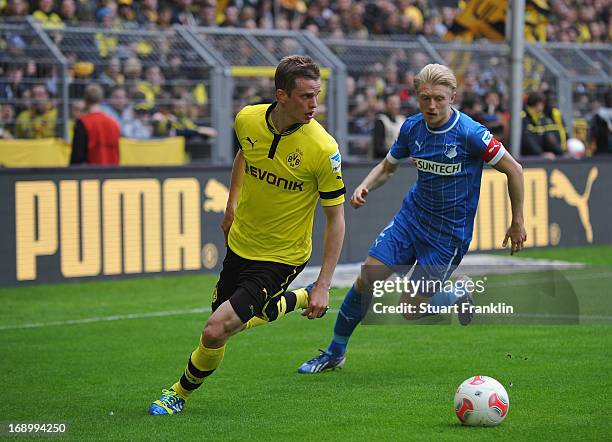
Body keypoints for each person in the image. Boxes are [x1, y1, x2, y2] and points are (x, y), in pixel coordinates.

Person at [297, 63, 526, 374]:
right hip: (411, 220)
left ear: (453, 97)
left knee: (409, 309)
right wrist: (365, 184)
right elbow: (388, 166)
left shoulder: (470, 133)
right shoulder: (412, 128)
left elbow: (514, 169)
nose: (431, 105)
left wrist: (517, 222)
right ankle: (335, 352)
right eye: (424, 98)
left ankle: (458, 292)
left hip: (447, 236)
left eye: (439, 99)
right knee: (367, 279)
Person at [149, 55, 346, 415]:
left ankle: (178, 392)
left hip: (282, 256)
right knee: (226, 328)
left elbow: (336, 219)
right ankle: (293, 301)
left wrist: (323, 283)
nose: (314, 105)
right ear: (281, 95)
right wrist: (231, 206)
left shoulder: (323, 148)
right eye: (305, 96)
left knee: (213, 330)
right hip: (240, 244)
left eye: (317, 95)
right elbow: (246, 155)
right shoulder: (248, 119)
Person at [70, 83, 120, 165]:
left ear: (85, 100)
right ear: (100, 99)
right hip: (112, 173)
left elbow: (77, 158)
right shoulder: (114, 123)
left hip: (91, 174)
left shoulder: (83, 123)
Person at [520, 91, 563, 158]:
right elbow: (527, 140)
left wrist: (560, 153)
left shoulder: (540, 117)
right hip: (526, 157)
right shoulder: (523, 117)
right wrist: (540, 154)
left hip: (536, 155)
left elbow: (546, 138)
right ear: (538, 104)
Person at [372, 93, 404, 159]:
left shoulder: (402, 120)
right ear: (386, 105)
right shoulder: (381, 121)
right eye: (392, 103)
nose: (396, 106)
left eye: (398, 103)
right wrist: (397, 154)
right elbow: (378, 149)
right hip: (385, 162)